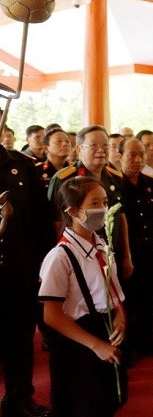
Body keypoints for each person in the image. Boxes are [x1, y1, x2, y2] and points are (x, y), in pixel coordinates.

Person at [39, 177, 127, 416]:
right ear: (74, 211)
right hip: (76, 339)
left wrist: (120, 315)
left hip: (103, 328)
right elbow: (51, 315)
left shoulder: (103, 247)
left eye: (105, 202)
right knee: (82, 403)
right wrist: (96, 345)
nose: (103, 209)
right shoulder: (61, 256)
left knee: (107, 399)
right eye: (94, 203)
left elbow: (115, 293)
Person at [0, 143, 54, 417]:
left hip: (18, 270)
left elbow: (40, 221)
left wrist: (44, 265)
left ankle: (19, 399)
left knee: (19, 337)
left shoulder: (21, 165)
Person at [48, 125, 133, 280]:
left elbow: (121, 216)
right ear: (79, 149)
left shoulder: (115, 177)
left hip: (110, 252)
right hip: (77, 255)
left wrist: (127, 255)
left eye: (105, 145)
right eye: (94, 145)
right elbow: (55, 222)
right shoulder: (64, 179)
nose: (101, 150)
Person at [119, 138, 153, 356]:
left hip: (149, 249)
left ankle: (147, 340)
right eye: (132, 155)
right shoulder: (114, 183)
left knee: (149, 298)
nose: (138, 160)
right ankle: (128, 346)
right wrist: (124, 254)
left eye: (141, 155)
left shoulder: (149, 182)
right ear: (120, 156)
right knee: (129, 300)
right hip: (127, 251)